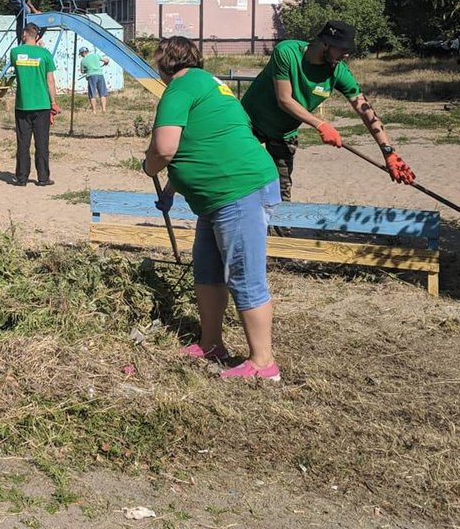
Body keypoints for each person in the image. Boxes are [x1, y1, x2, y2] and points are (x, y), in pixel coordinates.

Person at [143, 37, 282, 381]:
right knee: (206, 270)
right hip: (217, 196)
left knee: (244, 276)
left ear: (163, 65)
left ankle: (264, 364)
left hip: (238, 189)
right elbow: (204, 142)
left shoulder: (179, 88)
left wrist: (149, 167)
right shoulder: (210, 84)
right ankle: (211, 344)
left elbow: (165, 147)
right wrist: (174, 189)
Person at [240, 20, 416, 201]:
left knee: (281, 192)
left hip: (284, 133)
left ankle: (279, 229)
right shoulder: (287, 52)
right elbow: (284, 100)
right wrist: (321, 124)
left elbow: (365, 109)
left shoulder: (338, 72)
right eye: (342, 49)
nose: (346, 54)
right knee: (237, 178)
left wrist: (388, 151)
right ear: (324, 43)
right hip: (248, 123)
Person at [9, 23, 59, 186]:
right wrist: (53, 102)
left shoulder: (15, 52)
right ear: (37, 36)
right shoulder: (45, 54)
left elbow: (17, 69)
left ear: (24, 34)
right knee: (42, 142)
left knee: (23, 143)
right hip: (43, 104)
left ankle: (22, 178)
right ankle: (43, 178)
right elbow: (50, 80)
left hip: (23, 105)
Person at [79, 46, 112, 113]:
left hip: (91, 76)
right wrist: (106, 63)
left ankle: (94, 111)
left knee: (92, 93)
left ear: (83, 53)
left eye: (81, 54)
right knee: (102, 93)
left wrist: (87, 70)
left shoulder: (83, 61)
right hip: (100, 75)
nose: (81, 56)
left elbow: (82, 71)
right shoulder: (96, 55)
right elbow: (106, 60)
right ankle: (104, 110)